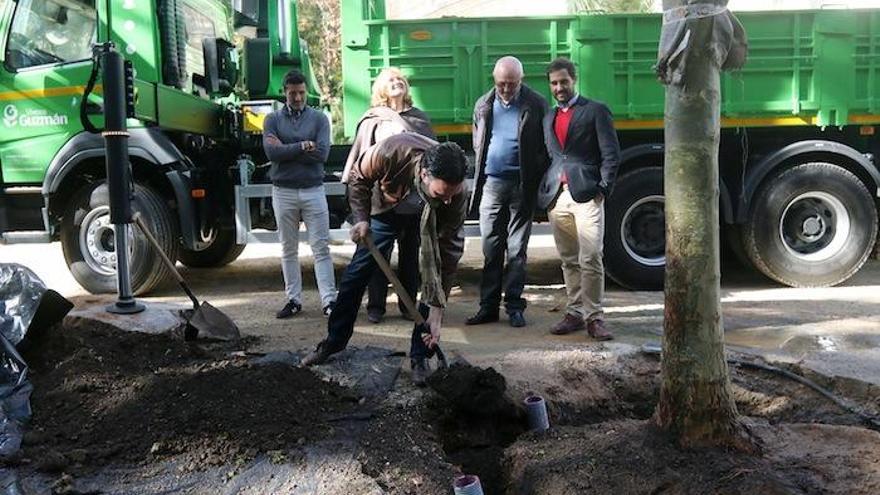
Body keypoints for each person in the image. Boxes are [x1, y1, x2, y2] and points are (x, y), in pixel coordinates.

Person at [302, 133, 468, 386]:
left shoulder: (454, 194)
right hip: (386, 210)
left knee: (428, 279)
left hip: (425, 218)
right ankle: (333, 343)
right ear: (424, 175)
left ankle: (419, 357)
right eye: (441, 193)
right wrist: (361, 218)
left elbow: (449, 251)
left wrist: (438, 308)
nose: (447, 199)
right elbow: (358, 176)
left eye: (451, 195)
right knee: (355, 277)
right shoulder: (392, 151)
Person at [342, 68, 435, 324]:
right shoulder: (372, 119)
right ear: (382, 89)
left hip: (413, 199)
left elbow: (431, 157)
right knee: (377, 252)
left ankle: (408, 306)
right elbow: (362, 161)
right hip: (378, 198)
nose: (397, 83)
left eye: (400, 80)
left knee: (410, 254)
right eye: (391, 81)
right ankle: (376, 306)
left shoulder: (419, 118)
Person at [538, 57, 620, 340]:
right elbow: (550, 155)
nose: (559, 87)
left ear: (574, 80)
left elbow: (611, 153)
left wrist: (603, 187)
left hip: (587, 195)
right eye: (554, 83)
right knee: (569, 259)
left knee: (592, 257)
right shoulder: (548, 116)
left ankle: (595, 317)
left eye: (564, 81)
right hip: (557, 197)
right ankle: (574, 313)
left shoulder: (595, 111)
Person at [465, 56, 549, 328]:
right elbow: (478, 141)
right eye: (501, 84)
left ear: (521, 80)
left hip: (522, 186)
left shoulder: (535, 104)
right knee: (491, 249)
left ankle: (514, 306)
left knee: (517, 251)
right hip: (492, 184)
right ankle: (488, 308)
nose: (506, 89)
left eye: (511, 84)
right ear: (494, 80)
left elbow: (545, 147)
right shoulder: (483, 104)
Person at [262, 70, 336, 318]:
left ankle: (329, 301)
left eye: (301, 92)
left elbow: (323, 154)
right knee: (288, 249)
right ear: (284, 93)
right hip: (283, 191)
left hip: (313, 189)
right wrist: (304, 146)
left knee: (321, 248)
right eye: (292, 93)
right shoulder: (272, 120)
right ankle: (293, 300)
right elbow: (272, 154)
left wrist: (287, 149)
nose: (297, 97)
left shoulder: (319, 119)